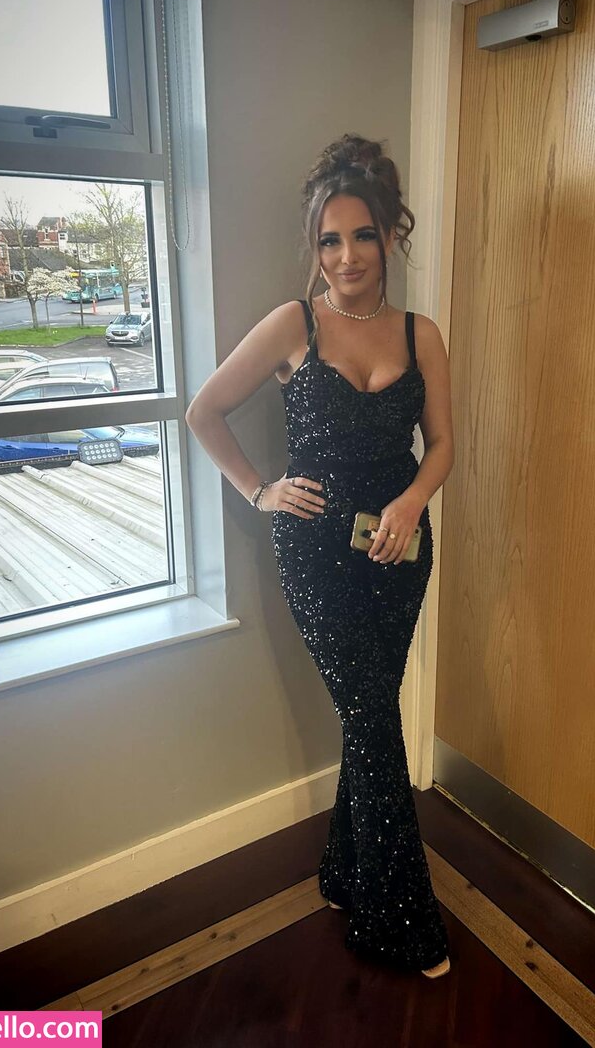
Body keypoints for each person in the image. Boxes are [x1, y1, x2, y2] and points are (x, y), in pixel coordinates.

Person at [186, 134, 454, 978]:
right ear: (315, 246)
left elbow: (444, 446)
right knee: (374, 721)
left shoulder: (421, 334)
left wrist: (413, 499)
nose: (346, 257)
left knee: (368, 718)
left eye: (362, 235)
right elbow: (203, 412)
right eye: (329, 240)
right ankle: (401, 923)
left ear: (391, 235)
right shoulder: (292, 324)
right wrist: (259, 490)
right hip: (315, 555)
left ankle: (344, 873)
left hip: (399, 552)